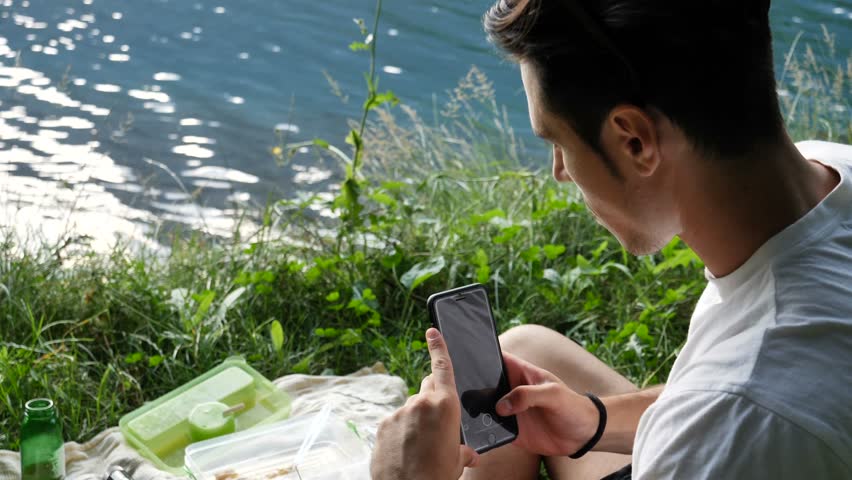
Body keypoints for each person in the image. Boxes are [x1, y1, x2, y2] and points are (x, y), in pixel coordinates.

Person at [370, 0, 852, 478]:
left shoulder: (732, 421)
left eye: (557, 141)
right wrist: (593, 421)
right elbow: (718, 397)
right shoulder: (831, 169)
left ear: (635, 141)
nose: (559, 171)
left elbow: (732, 408)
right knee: (528, 349)